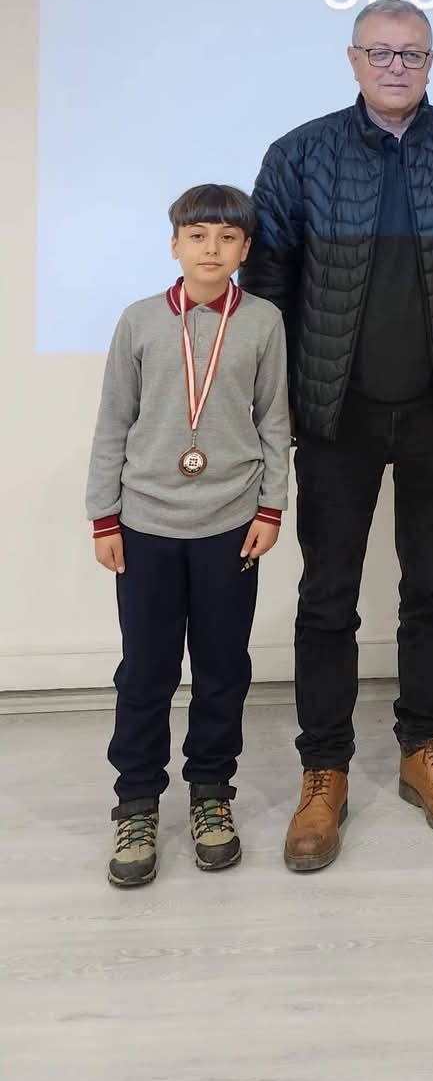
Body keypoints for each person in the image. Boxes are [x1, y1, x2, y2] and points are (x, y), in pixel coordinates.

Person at [241, 0, 433, 871]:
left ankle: (423, 750)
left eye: (413, 54)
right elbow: (268, 290)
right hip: (335, 416)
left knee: (431, 590)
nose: (397, 67)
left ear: (432, 61)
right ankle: (324, 771)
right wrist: (277, 408)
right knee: (327, 597)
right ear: (352, 59)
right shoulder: (299, 154)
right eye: (381, 53)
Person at [85, 184, 290, 889]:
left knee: (223, 666)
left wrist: (270, 508)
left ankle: (210, 794)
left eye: (227, 238)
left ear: (245, 249)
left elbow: (274, 421)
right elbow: (113, 421)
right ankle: (137, 802)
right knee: (145, 669)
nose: (212, 248)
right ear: (174, 244)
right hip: (145, 524)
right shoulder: (140, 321)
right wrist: (103, 516)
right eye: (198, 235)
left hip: (230, 524)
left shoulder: (262, 321)